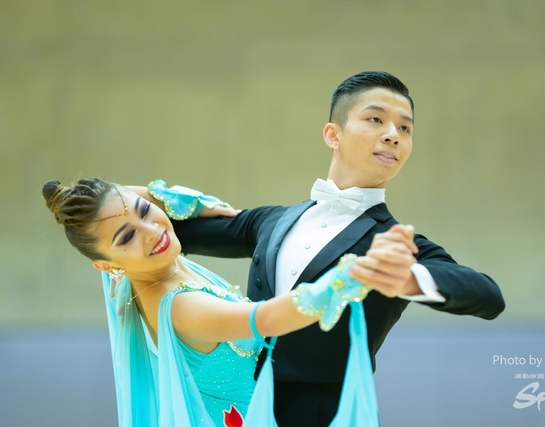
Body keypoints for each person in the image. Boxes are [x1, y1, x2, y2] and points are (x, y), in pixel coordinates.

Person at [149, 71, 506, 427]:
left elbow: (488, 296)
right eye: (376, 119)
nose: (393, 135)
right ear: (333, 134)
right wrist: (155, 198)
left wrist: (410, 278)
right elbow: (155, 233)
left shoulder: (397, 244)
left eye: (405, 128)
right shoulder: (271, 221)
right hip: (244, 408)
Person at [42, 178, 372, 427]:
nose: (151, 230)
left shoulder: (138, 266)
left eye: (144, 211)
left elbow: (122, 198)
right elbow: (270, 319)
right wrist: (354, 273)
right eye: (128, 236)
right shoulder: (181, 307)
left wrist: (188, 202)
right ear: (105, 265)